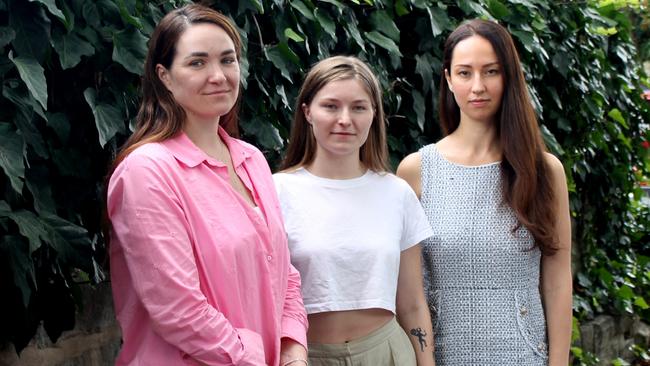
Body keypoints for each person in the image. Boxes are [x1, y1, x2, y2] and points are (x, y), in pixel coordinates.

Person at [105, 4, 308, 365]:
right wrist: (254, 357)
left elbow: (283, 270)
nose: (218, 75)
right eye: (197, 63)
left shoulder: (252, 160)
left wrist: (293, 349)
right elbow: (177, 308)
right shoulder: (148, 171)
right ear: (164, 76)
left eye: (228, 60)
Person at [397, 19, 572, 365]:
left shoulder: (544, 171)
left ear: (508, 76)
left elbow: (557, 278)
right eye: (465, 73)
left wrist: (559, 362)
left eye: (490, 71)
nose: (478, 86)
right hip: (444, 357)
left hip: (524, 356)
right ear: (448, 78)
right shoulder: (415, 171)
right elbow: (409, 290)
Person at [273, 56, 436, 366]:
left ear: (374, 114)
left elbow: (412, 302)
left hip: (387, 354)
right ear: (307, 112)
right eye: (331, 106)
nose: (345, 119)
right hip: (303, 357)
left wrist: (426, 362)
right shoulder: (275, 191)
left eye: (359, 107)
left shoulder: (396, 193)